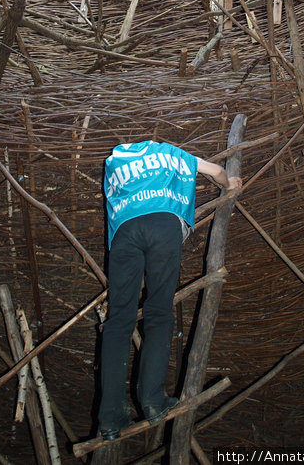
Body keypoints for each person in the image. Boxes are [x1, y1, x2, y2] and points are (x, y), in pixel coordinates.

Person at [98, 139, 243, 440]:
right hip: (162, 226)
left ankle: (110, 417)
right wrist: (229, 184)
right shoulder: (168, 153)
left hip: (124, 233)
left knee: (118, 322)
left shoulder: (114, 163)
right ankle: (152, 401)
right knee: (158, 314)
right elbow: (215, 170)